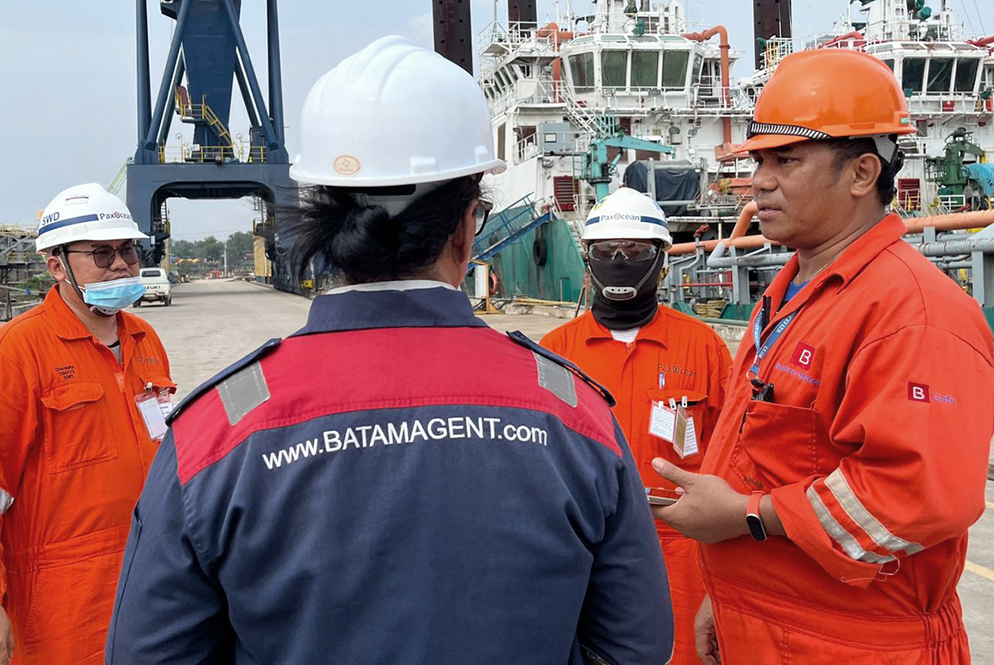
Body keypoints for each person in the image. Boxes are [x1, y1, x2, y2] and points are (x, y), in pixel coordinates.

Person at [106, 36, 674, 665]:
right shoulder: (573, 411)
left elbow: (148, 652)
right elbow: (635, 645)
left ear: (317, 219)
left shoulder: (216, 433)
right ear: (464, 228)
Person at [651, 48, 994, 664]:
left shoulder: (911, 314)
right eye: (760, 159)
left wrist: (747, 518)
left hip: (854, 643)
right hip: (765, 627)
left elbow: (918, 500)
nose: (760, 180)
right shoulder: (789, 295)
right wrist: (723, 598)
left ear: (863, 173)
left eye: (787, 159)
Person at [0, 183, 174, 665]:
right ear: (56, 264)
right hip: (61, 592)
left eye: (127, 248)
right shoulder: (14, 355)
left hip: (151, 575)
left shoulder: (145, 338)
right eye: (101, 254)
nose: (121, 263)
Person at [540, 186, 732, 665]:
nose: (620, 260)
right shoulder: (554, 352)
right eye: (606, 251)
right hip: (583, 549)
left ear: (662, 260)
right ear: (589, 259)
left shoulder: (703, 348)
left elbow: (735, 454)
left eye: (636, 251)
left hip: (683, 550)